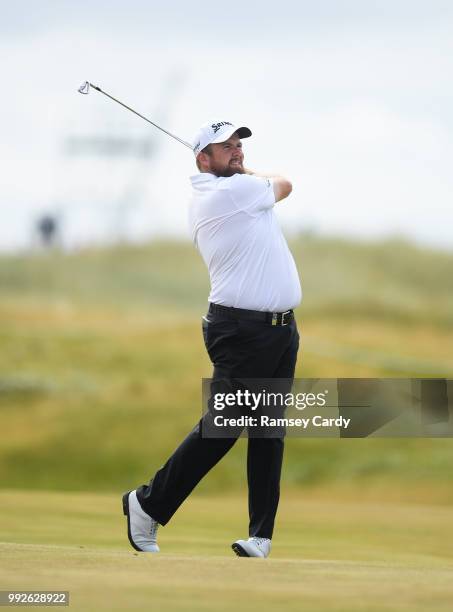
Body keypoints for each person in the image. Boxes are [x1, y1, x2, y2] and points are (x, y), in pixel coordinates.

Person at [123, 120, 302, 558]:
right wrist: (247, 171)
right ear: (203, 159)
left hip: (279, 330)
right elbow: (286, 183)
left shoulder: (230, 192)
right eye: (226, 147)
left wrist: (238, 168)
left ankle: (260, 535)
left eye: (239, 145)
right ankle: (146, 504)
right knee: (224, 427)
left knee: (267, 434)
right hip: (243, 331)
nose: (237, 151)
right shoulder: (230, 193)